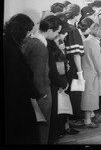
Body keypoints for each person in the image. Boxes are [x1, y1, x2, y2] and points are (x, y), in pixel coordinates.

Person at [21, 15, 62, 144]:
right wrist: (43, 93)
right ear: (49, 31)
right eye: (57, 32)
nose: (57, 35)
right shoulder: (40, 46)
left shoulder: (29, 40)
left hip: (31, 90)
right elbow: (39, 72)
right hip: (41, 92)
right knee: (43, 125)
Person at [4, 14, 40, 145]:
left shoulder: (9, 41)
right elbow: (18, 74)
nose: (27, 35)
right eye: (26, 32)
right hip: (15, 97)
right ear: (20, 30)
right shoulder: (10, 47)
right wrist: (33, 91)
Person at [47, 15, 74, 144]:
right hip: (58, 81)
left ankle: (62, 129)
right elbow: (54, 67)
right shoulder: (52, 45)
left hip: (61, 78)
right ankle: (57, 132)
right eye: (63, 34)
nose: (65, 36)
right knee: (58, 109)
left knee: (61, 108)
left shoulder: (58, 43)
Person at [64, 3, 85, 128]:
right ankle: (75, 118)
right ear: (77, 15)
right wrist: (80, 72)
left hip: (64, 65)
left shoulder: (64, 27)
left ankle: (67, 119)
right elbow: (76, 54)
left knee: (68, 92)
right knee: (76, 93)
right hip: (74, 66)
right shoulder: (74, 30)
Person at [81, 23, 101, 128]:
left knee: (87, 95)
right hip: (92, 72)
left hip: (85, 71)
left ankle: (90, 115)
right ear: (99, 32)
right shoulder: (94, 43)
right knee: (89, 97)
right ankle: (87, 120)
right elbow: (97, 61)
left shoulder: (85, 41)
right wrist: (100, 73)